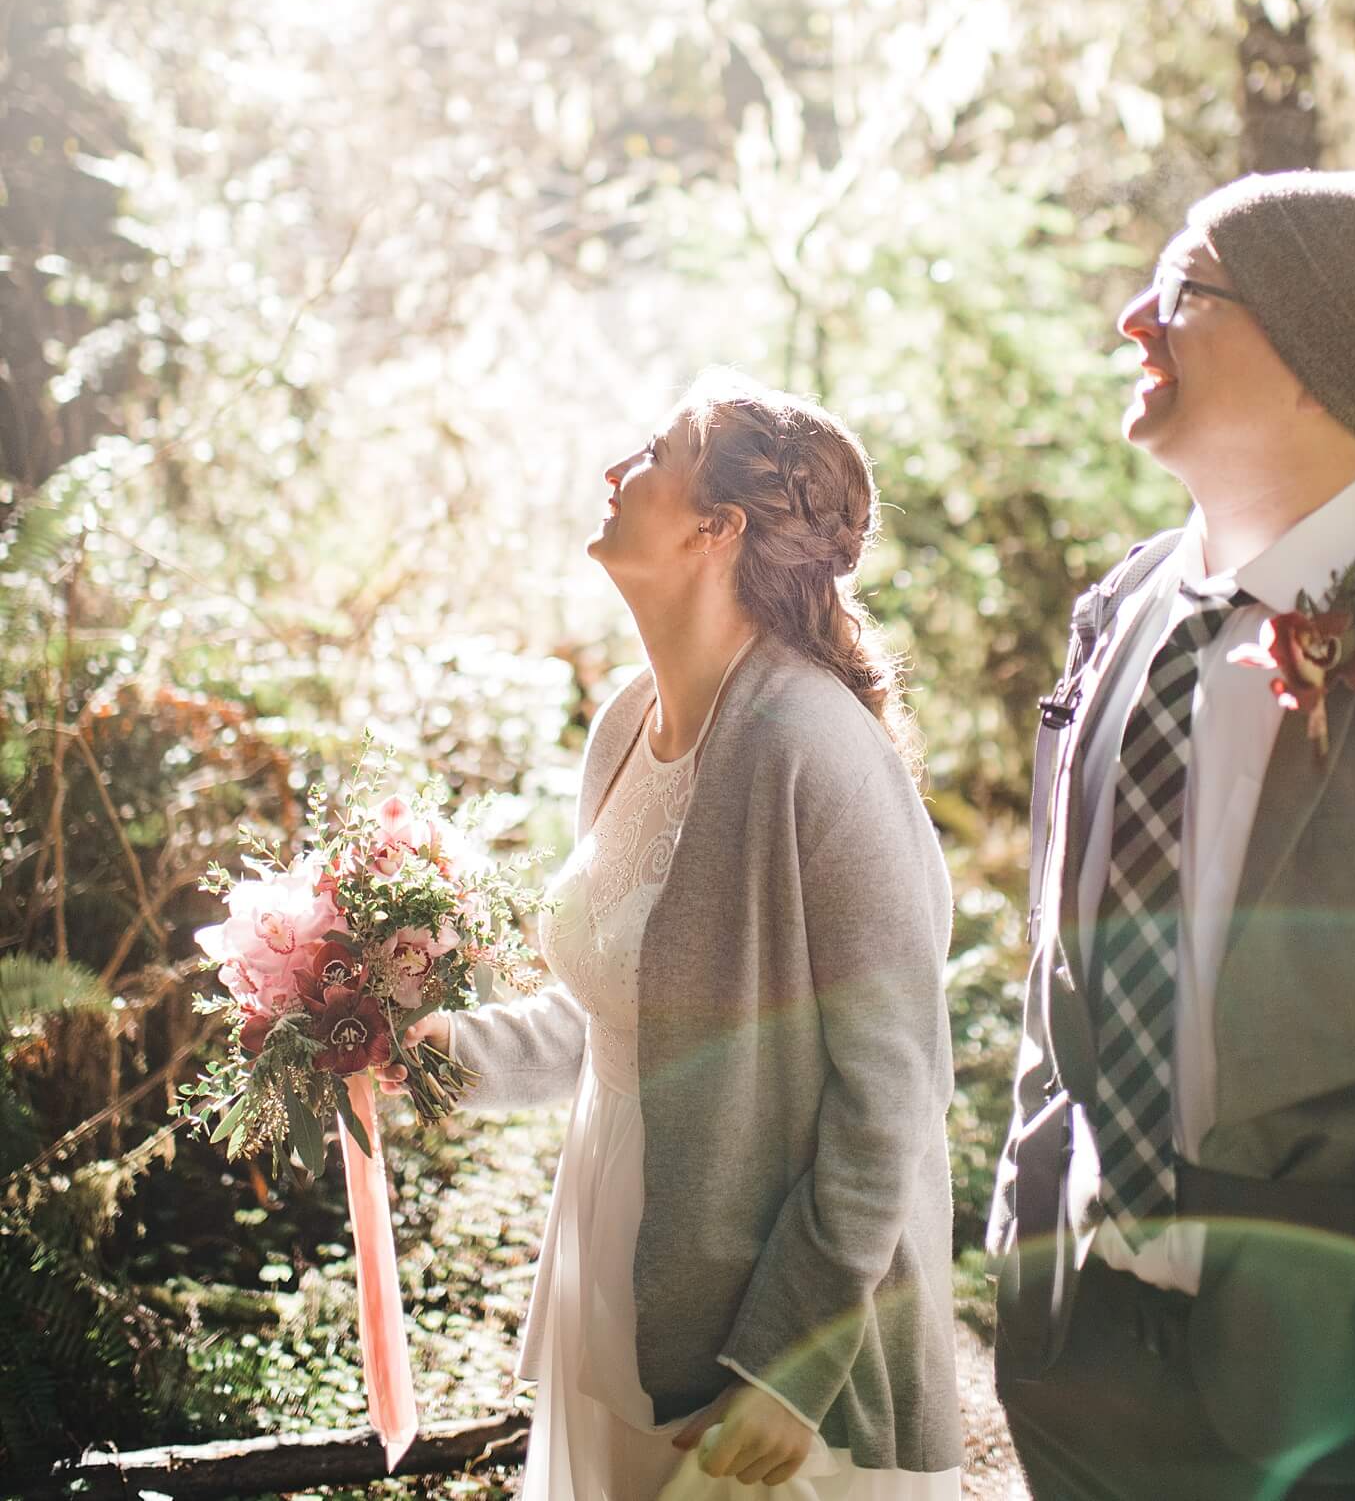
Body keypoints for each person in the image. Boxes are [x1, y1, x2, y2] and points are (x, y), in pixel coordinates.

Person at [989, 145, 1355, 1500]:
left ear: (1306, 353)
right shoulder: (1118, 618)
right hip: (1089, 1356)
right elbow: (1060, 983)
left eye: (1183, 289)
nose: (1131, 320)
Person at [409, 370, 962, 1499]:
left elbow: (894, 1091)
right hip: (621, 1243)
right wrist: (426, 1058)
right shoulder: (624, 721)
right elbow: (625, 1011)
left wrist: (791, 1361)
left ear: (720, 527)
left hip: (774, 1300)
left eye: (650, 456)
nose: (616, 471)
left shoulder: (818, 751)